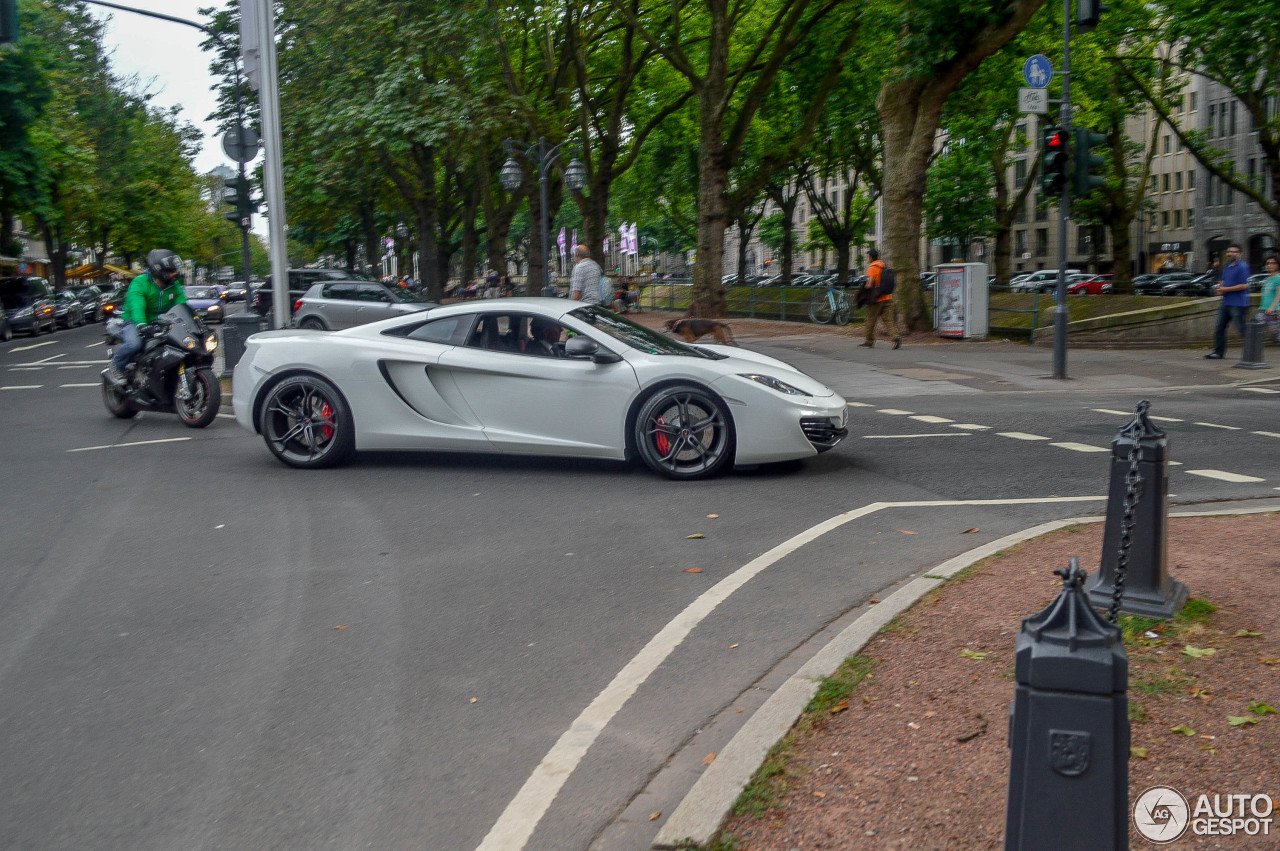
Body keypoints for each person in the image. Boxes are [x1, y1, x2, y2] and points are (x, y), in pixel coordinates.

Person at [107, 249, 187, 385]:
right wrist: (141, 325)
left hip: (163, 322)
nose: (176, 274)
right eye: (171, 271)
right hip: (135, 321)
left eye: (176, 270)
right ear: (159, 270)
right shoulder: (140, 283)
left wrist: (190, 320)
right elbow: (137, 306)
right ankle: (116, 366)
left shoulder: (174, 286)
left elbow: (182, 305)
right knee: (134, 344)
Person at [1204, 242, 1251, 359]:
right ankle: (1218, 352)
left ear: (1240, 254)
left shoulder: (1243, 267)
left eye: (1234, 252)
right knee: (1219, 326)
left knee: (1241, 328)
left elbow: (1244, 285)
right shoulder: (1226, 266)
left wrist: (1226, 289)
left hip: (1238, 303)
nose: (1231, 253)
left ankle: (1253, 350)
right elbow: (1223, 281)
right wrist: (1220, 288)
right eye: (1229, 251)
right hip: (1226, 302)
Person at [860, 248, 900, 349]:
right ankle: (896, 337)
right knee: (888, 320)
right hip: (887, 296)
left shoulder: (872, 267)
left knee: (870, 320)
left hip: (877, 298)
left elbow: (869, 285)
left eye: (868, 256)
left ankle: (869, 341)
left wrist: (863, 287)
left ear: (871, 257)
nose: (868, 258)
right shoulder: (883, 265)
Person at [1260, 253, 1280, 342]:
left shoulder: (1278, 278)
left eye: (1272, 263)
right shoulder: (1266, 279)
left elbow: (1279, 294)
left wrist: (1272, 307)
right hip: (1263, 309)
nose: (1269, 265)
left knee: (1276, 334)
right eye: (1267, 263)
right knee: (1257, 330)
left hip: (1274, 310)